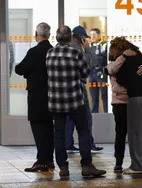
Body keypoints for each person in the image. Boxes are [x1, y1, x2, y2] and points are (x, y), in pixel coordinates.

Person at [46, 25, 106, 177]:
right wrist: (87, 51)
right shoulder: (74, 53)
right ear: (71, 38)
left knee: (58, 134)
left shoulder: (49, 53)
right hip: (74, 100)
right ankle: (86, 165)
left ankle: (63, 168)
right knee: (83, 130)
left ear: (57, 37)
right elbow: (85, 72)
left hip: (55, 102)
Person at [105, 37, 142, 172]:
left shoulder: (133, 62)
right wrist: (132, 86)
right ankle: (119, 162)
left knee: (138, 133)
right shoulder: (116, 65)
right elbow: (115, 87)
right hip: (121, 104)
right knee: (122, 133)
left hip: (136, 100)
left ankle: (140, 165)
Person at [15, 22, 54, 172]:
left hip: (37, 96)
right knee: (49, 129)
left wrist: (29, 73)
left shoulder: (34, 52)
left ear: (36, 35)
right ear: (49, 35)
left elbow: (19, 69)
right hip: (52, 95)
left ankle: (42, 161)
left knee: (38, 129)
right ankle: (49, 160)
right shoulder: (52, 50)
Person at [65, 26, 103, 152]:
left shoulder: (65, 47)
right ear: (79, 37)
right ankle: (89, 145)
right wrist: (87, 50)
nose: (85, 40)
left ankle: (68, 144)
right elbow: (87, 67)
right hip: (78, 86)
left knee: (69, 117)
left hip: (67, 88)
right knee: (86, 117)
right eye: (84, 37)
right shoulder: (77, 48)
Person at [89, 28, 108, 113]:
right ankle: (94, 114)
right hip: (92, 74)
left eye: (94, 34)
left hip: (102, 74)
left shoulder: (104, 45)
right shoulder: (90, 46)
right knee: (94, 97)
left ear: (99, 35)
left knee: (104, 95)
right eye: (91, 35)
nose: (92, 36)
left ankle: (106, 113)